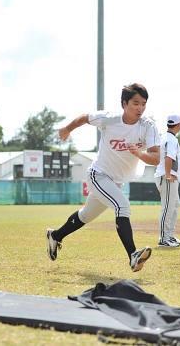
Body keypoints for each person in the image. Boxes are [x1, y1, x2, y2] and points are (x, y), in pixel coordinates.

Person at [47, 83, 160, 272]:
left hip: (115, 181)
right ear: (124, 103)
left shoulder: (148, 126)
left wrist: (140, 154)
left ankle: (56, 235)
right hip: (98, 175)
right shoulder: (109, 119)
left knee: (86, 215)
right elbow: (85, 118)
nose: (140, 108)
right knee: (122, 206)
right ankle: (133, 256)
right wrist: (67, 129)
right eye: (135, 103)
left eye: (143, 103)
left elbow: (156, 158)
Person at [154, 113, 180, 247]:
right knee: (167, 208)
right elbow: (169, 158)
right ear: (178, 125)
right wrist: (168, 175)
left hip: (169, 177)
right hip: (167, 178)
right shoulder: (171, 140)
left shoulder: (166, 137)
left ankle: (170, 236)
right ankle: (164, 238)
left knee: (175, 205)